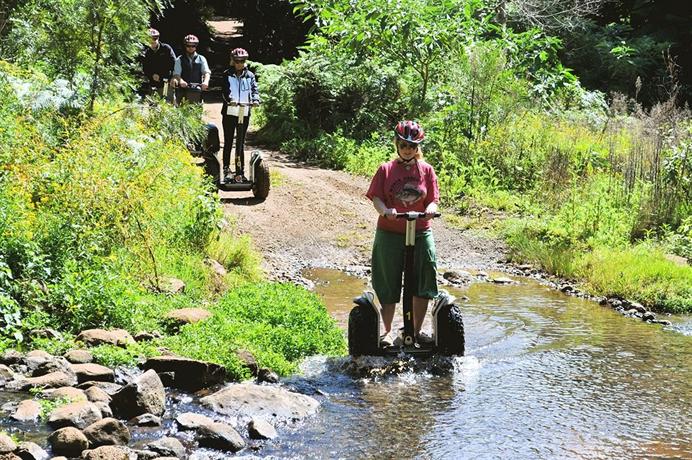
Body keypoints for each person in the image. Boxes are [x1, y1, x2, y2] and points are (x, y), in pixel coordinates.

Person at [365, 121, 440, 347]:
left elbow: (433, 200)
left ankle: (415, 331)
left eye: (412, 146)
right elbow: (376, 197)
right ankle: (387, 332)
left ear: (417, 147)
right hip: (390, 232)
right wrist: (385, 211)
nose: (408, 149)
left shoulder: (426, 170)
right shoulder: (386, 169)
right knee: (387, 281)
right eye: (404, 145)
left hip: (420, 231)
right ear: (397, 144)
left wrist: (430, 209)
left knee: (425, 276)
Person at [220, 47, 260, 183]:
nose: (239, 64)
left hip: (244, 112)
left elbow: (254, 90)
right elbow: (225, 91)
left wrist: (255, 100)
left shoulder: (250, 76)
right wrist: (230, 99)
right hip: (230, 112)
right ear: (233, 61)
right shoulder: (227, 74)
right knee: (228, 141)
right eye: (237, 61)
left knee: (240, 143)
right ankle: (226, 168)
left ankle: (240, 171)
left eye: (242, 61)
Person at [171, 34, 211, 105]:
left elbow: (206, 72)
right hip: (182, 90)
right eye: (188, 46)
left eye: (193, 46)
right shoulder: (179, 59)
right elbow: (176, 73)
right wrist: (181, 81)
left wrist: (206, 82)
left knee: (197, 109)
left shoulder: (201, 59)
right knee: (181, 109)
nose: (191, 48)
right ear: (185, 46)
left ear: (196, 46)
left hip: (197, 90)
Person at [142, 28, 175, 101]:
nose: (153, 41)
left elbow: (173, 64)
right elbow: (144, 67)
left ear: (158, 38)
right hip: (151, 83)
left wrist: (172, 77)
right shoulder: (145, 51)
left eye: (155, 38)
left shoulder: (166, 48)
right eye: (150, 39)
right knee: (152, 103)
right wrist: (152, 75)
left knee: (166, 101)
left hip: (165, 82)